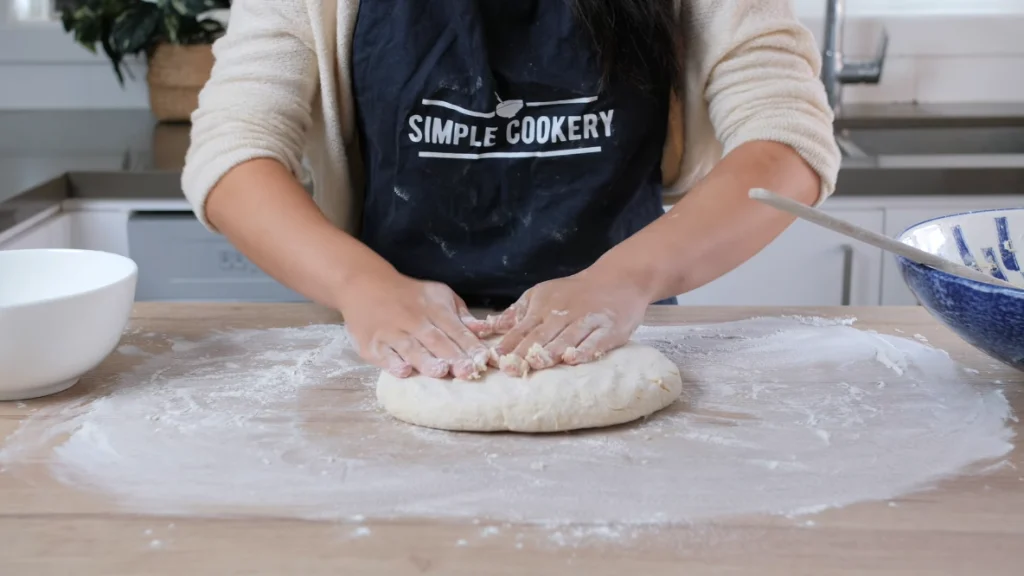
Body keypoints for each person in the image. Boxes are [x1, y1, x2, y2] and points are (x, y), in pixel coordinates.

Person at [182, 0, 840, 381]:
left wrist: (628, 278)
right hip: (398, 347)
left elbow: (785, 143)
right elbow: (233, 151)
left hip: (623, 333)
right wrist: (360, 286)